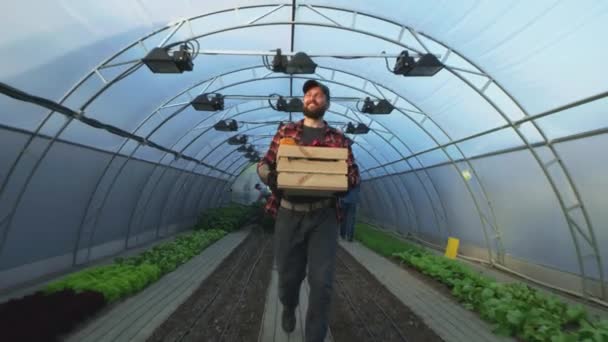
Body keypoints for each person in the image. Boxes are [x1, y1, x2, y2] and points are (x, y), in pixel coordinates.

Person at [257, 80, 360, 342]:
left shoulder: (338, 139)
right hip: (289, 214)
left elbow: (354, 175)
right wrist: (270, 176)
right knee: (288, 278)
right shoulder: (285, 133)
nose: (311, 98)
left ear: (326, 102)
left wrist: (343, 183)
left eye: (317, 95)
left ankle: (314, 337)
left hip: (323, 216)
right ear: (303, 102)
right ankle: (289, 305)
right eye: (307, 95)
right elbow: (264, 164)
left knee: (322, 283)